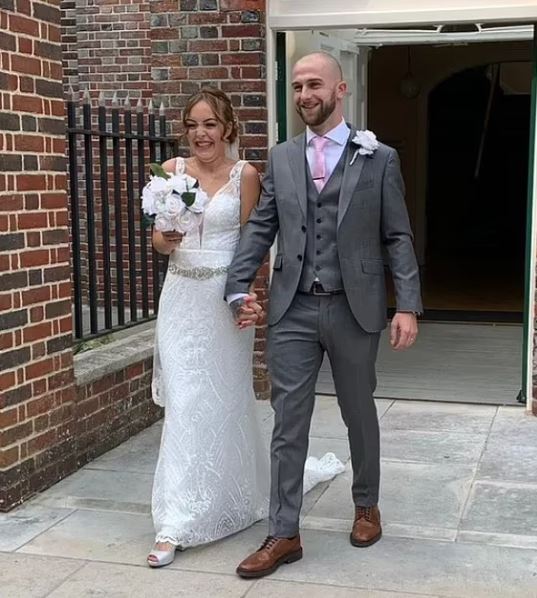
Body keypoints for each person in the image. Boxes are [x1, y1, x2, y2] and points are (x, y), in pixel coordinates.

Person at [225, 51, 423, 579]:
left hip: (354, 307)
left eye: (314, 84)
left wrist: (407, 304)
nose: (304, 95)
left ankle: (366, 505)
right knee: (288, 421)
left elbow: (397, 236)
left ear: (340, 90)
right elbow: (261, 226)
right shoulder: (282, 157)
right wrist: (236, 285)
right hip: (292, 307)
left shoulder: (378, 157)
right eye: (296, 86)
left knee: (359, 411)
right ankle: (284, 532)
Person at [147, 87, 268, 568]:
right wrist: (166, 237)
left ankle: (231, 497)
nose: (201, 134)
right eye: (193, 125)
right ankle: (175, 521)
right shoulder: (170, 172)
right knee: (184, 402)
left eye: (210, 124)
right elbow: (159, 242)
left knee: (224, 399)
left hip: (224, 303)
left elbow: (251, 246)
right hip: (181, 299)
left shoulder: (246, 176)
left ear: (228, 128)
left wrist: (246, 298)